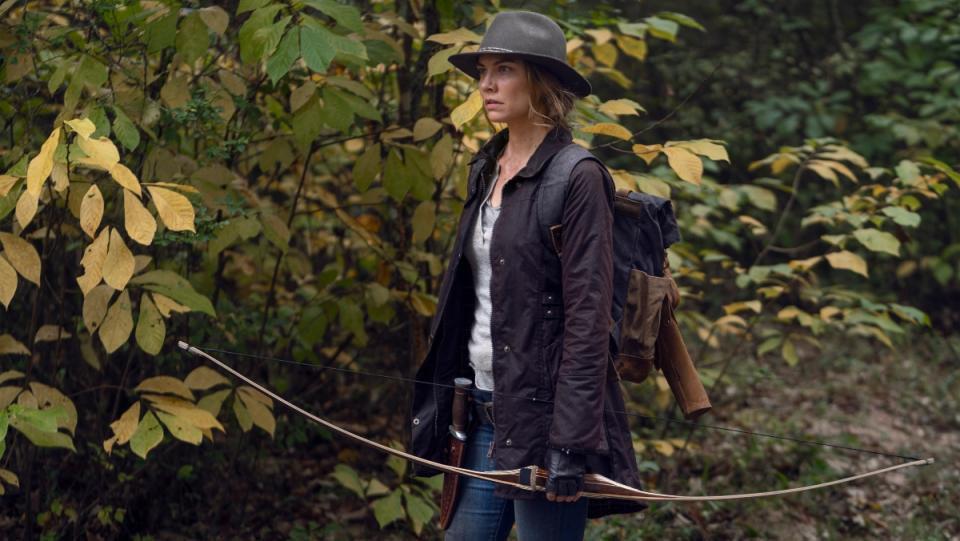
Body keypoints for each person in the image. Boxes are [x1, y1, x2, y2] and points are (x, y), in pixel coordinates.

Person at [410, 11, 643, 540]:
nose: (487, 85)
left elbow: (589, 320)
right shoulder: (486, 166)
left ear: (543, 82)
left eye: (505, 69)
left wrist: (570, 443)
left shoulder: (578, 177)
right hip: (476, 415)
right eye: (483, 70)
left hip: (545, 425)